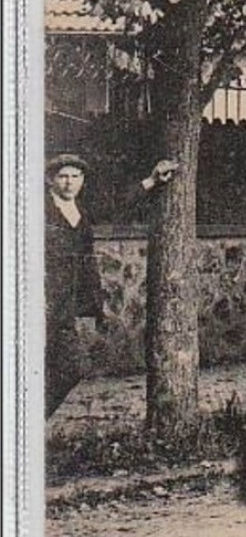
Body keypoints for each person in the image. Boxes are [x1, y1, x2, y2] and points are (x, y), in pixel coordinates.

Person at [45, 152, 179, 417]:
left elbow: (117, 204)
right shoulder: (38, 210)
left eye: (75, 177)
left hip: (65, 305)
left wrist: (152, 180)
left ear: (82, 180)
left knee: (72, 367)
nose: (69, 183)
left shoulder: (81, 210)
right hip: (42, 301)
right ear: (50, 181)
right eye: (63, 177)